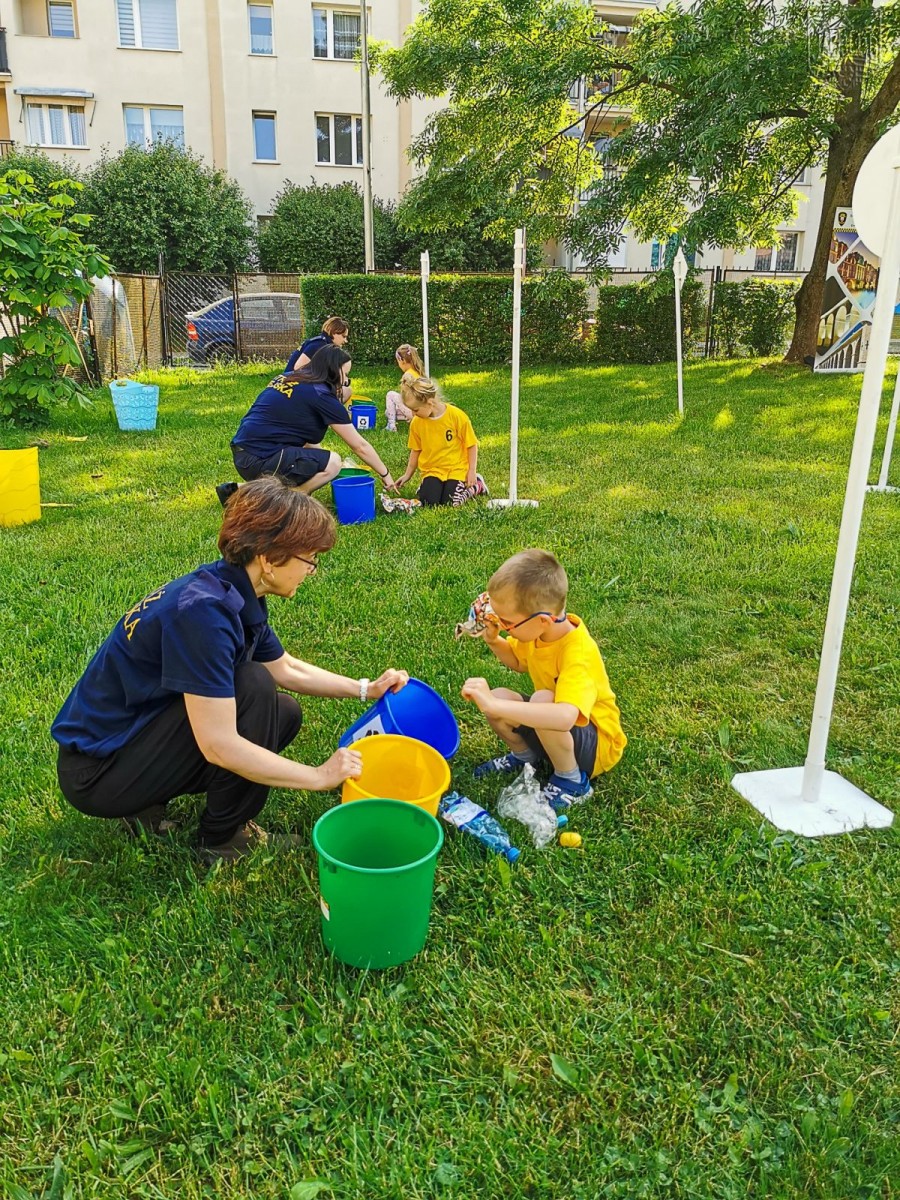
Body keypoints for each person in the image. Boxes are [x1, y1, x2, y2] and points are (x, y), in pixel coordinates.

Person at [51, 478, 410, 862]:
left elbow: (286, 668)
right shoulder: (204, 614)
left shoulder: (230, 587)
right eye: (310, 560)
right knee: (253, 686)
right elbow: (218, 744)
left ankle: (147, 802)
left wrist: (366, 689)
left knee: (281, 712)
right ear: (269, 560)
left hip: (125, 744)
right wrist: (318, 776)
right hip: (97, 774)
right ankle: (221, 839)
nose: (311, 571)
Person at [460, 549, 626, 812]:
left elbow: (564, 717)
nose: (502, 625)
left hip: (596, 749)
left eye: (507, 622)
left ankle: (572, 780)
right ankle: (527, 758)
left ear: (542, 621)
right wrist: (494, 641)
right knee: (501, 694)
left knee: (541, 700)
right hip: (558, 732)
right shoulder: (539, 634)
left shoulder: (578, 652)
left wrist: (493, 707)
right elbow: (517, 661)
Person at [216, 346, 398, 504]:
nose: (345, 382)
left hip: (245, 454)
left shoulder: (289, 377)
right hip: (260, 460)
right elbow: (359, 446)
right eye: (346, 374)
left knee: (326, 461)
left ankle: (238, 490)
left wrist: (319, 459)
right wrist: (385, 474)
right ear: (334, 371)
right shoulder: (321, 396)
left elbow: (305, 440)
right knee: (333, 462)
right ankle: (294, 498)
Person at [395, 375, 488, 506]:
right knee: (428, 502)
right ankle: (426, 487)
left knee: (451, 503)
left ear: (429, 403)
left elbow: (471, 445)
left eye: (415, 410)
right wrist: (407, 475)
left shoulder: (457, 416)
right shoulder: (416, 423)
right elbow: (415, 451)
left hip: (456, 469)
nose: (413, 414)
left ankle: (477, 485)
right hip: (432, 470)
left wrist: (471, 471)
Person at [285, 316, 349, 374]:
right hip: (291, 382)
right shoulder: (318, 345)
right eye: (344, 336)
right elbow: (298, 367)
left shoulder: (322, 343)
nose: (345, 341)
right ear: (334, 332)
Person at [385, 343, 424, 432]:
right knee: (388, 412)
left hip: (413, 411)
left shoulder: (407, 376)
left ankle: (391, 426)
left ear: (402, 360)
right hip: (422, 412)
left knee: (391, 394)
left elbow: (407, 398)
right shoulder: (419, 373)